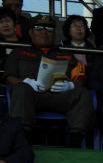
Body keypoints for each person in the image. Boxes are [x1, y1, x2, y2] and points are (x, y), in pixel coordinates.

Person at [4, 15, 93, 147]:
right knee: (21, 89)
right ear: (30, 32)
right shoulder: (18, 52)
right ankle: (22, 143)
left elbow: (81, 76)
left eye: (49, 29)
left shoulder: (66, 54)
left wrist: (70, 85)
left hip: (59, 95)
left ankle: (74, 143)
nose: (44, 32)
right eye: (39, 28)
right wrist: (26, 82)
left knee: (83, 93)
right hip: (31, 95)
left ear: (55, 34)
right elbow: (9, 76)